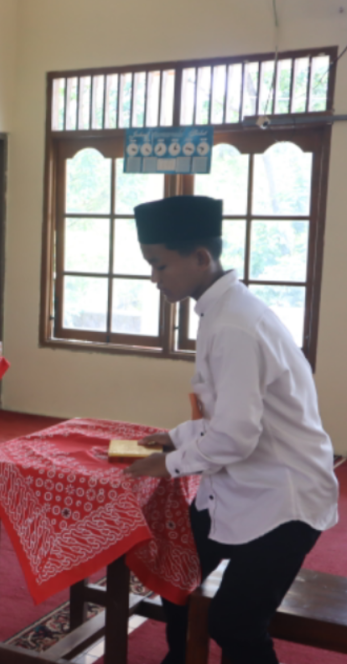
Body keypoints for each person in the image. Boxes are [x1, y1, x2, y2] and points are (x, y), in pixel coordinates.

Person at [123, 196, 338, 664]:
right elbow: (231, 415)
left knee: (236, 623)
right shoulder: (221, 311)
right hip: (240, 484)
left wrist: (169, 464)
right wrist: (179, 435)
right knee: (177, 575)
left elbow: (236, 436)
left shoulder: (235, 324)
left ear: (201, 257)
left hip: (283, 499)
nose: (154, 278)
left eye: (160, 265)